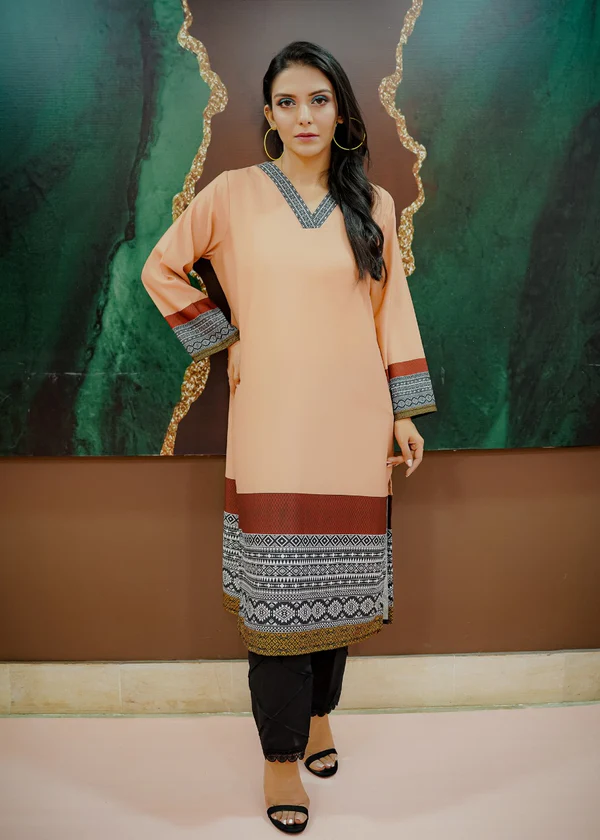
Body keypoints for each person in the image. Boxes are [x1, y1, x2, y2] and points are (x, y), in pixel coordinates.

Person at [141, 39, 437, 834]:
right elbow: (161, 268)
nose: (303, 115)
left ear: (340, 110)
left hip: (355, 425)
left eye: (318, 99)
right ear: (269, 114)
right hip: (272, 424)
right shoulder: (233, 195)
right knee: (278, 600)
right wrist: (225, 338)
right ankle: (280, 758)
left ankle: (319, 717)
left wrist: (403, 410)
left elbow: (391, 309)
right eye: (287, 101)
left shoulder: (373, 202)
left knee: (340, 584)